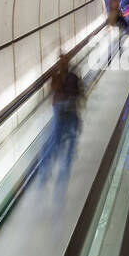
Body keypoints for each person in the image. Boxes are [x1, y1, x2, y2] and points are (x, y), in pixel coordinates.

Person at [37, 53, 82, 197]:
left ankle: (49, 179)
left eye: (62, 63)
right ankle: (54, 184)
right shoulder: (63, 78)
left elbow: (66, 96)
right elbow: (73, 96)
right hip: (66, 120)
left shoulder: (68, 78)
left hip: (65, 119)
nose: (60, 65)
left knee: (54, 147)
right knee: (58, 149)